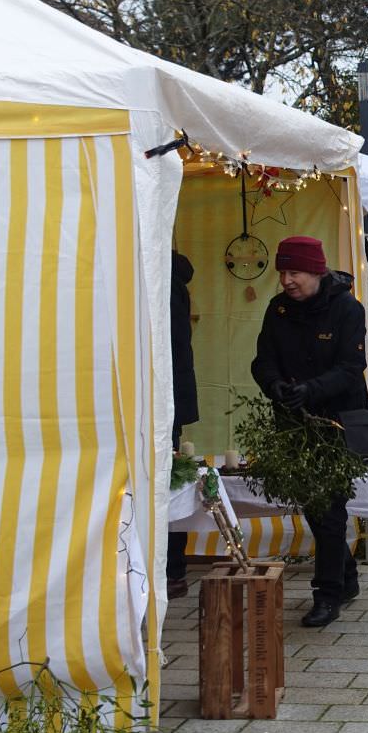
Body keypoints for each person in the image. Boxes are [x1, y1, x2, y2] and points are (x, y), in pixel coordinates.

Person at [251, 236, 368, 627]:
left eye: (294, 272)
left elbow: (351, 370)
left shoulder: (347, 309)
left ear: (316, 271)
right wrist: (276, 386)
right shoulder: (278, 310)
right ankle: (346, 576)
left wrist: (311, 390)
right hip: (295, 423)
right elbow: (262, 361)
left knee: (329, 506)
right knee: (316, 507)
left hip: (337, 420)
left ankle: (327, 593)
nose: (286, 280)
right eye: (282, 272)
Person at [166, 250, 200, 601]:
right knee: (169, 480)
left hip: (162, 397)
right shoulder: (174, 277)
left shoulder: (165, 280)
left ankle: (172, 569)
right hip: (169, 396)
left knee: (168, 482)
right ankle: (172, 570)